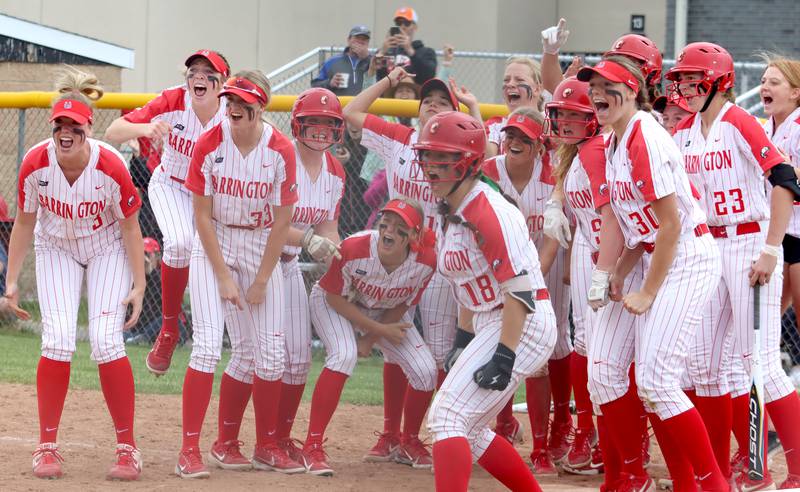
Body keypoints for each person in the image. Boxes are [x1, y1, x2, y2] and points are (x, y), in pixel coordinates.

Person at [576, 56, 728, 491]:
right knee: (605, 375)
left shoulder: (645, 137)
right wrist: (618, 272)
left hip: (686, 257)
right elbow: (634, 227)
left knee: (657, 380)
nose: (598, 93)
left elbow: (670, 225)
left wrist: (647, 290)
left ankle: (709, 483)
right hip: (653, 255)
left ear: (631, 90)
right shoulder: (615, 141)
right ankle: (631, 479)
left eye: (608, 86)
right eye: (594, 86)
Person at [667, 43, 800, 490]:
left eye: (693, 78)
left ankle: (796, 472)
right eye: (682, 78)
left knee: (758, 360)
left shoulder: (739, 122)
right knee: (704, 365)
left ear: (719, 82)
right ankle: (720, 475)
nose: (684, 85)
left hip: (749, 243)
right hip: (706, 250)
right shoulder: (683, 131)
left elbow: (785, 181)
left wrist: (770, 248)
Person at [4, 66, 145, 481]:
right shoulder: (36, 163)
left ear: (89, 127)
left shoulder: (111, 166)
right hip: (56, 249)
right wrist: (11, 282)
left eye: (75, 126)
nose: (66, 133)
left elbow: (130, 227)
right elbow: (26, 224)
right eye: (59, 125)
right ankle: (46, 446)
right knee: (59, 338)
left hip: (106, 248)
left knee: (105, 340)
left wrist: (138, 284)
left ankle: (127, 449)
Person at [343, 67, 482, 460]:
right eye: (428, 102)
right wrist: (388, 81)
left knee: (437, 352)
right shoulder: (400, 140)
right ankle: (390, 435)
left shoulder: (458, 153)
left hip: (440, 263)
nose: (432, 107)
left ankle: (415, 436)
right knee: (392, 344)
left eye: (442, 103)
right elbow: (352, 112)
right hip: (397, 256)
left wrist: (472, 107)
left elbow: (486, 150)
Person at [415, 111, 556, 492]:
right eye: (428, 158)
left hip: (521, 320)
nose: (432, 168)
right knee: (471, 429)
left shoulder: (488, 209)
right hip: (494, 319)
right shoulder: (449, 209)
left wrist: (505, 354)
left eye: (443, 160)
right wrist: (463, 340)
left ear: (470, 163)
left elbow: (521, 289)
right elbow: (466, 282)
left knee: (447, 418)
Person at [176, 70, 301, 478]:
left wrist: (263, 278)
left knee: (267, 353)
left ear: (260, 107)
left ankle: (261, 445)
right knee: (209, 346)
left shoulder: (280, 150)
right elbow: (201, 216)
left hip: (261, 241)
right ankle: (190, 449)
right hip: (215, 241)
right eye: (230, 101)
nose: (233, 108)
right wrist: (224, 277)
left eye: (242, 103)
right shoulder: (210, 144)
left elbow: (283, 222)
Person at [105, 49, 230, 376]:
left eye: (208, 71)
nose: (199, 76)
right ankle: (169, 329)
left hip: (214, 197)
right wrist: (144, 130)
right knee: (178, 243)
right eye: (193, 71)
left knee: (219, 263)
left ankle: (210, 335)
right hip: (172, 186)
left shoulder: (233, 111)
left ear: (223, 83)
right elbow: (113, 131)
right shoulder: (173, 100)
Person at [301, 198, 438, 476]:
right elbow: (334, 298)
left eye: (400, 226)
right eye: (385, 222)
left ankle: (407, 441)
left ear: (414, 235)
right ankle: (312, 446)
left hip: (385, 311)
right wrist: (372, 334)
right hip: (335, 303)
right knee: (344, 355)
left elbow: (404, 303)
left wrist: (372, 337)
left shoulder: (426, 261)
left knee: (426, 371)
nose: (388, 231)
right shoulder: (355, 247)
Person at [481, 108, 573, 474]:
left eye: (525, 139)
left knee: (553, 346)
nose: (515, 143)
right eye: (511, 136)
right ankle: (503, 427)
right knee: (502, 344)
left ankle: (552, 436)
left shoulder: (552, 175)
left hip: (543, 266)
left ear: (539, 146)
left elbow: (551, 239)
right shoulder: (490, 172)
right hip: (501, 269)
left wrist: (534, 281)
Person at [269, 87, 346, 466]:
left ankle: (281, 439)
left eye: (327, 123)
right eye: (312, 122)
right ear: (298, 124)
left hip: (288, 266)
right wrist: (310, 239)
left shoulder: (335, 170)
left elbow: (328, 225)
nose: (319, 130)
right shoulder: (281, 158)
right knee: (263, 357)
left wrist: (332, 246)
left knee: (298, 358)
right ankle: (251, 441)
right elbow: (268, 222)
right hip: (258, 261)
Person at [544, 77, 610, 477]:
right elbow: (565, 176)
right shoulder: (572, 151)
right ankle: (586, 431)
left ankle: (619, 436)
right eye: (561, 113)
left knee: (616, 353)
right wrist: (554, 202)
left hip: (620, 253)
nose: (566, 121)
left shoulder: (602, 149)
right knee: (585, 342)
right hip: (588, 244)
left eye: (576, 114)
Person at [759, 55, 800, 320]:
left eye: (774, 82)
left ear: (795, 92)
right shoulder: (765, 128)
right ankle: (765, 362)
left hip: (798, 233)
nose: (765, 87)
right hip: (777, 230)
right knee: (768, 315)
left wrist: (788, 171)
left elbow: (786, 175)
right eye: (763, 81)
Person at [485, 57, 546, 158]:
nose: (510, 84)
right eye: (506, 80)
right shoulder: (496, 125)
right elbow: (488, 160)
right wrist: (473, 107)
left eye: (519, 80)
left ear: (537, 89)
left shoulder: (550, 124)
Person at [375, 7, 437, 85]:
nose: (402, 26)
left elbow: (429, 76)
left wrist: (410, 51)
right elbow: (375, 76)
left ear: (415, 27)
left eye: (407, 23)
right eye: (399, 23)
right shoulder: (388, 51)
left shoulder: (426, 52)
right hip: (389, 95)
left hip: (414, 95)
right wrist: (382, 52)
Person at [311, 25, 372, 96]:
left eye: (364, 39)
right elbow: (315, 86)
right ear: (348, 40)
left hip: (366, 106)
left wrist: (367, 58)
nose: (361, 42)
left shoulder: (374, 63)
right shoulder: (333, 61)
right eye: (357, 38)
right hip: (340, 105)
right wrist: (330, 83)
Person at [124, 237, 163, 345]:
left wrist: (150, 270)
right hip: (134, 325)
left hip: (152, 325)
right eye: (141, 254)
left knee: (167, 320)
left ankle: (143, 338)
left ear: (157, 256)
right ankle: (133, 338)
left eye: (147, 254)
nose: (143, 258)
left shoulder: (161, 276)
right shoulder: (131, 275)